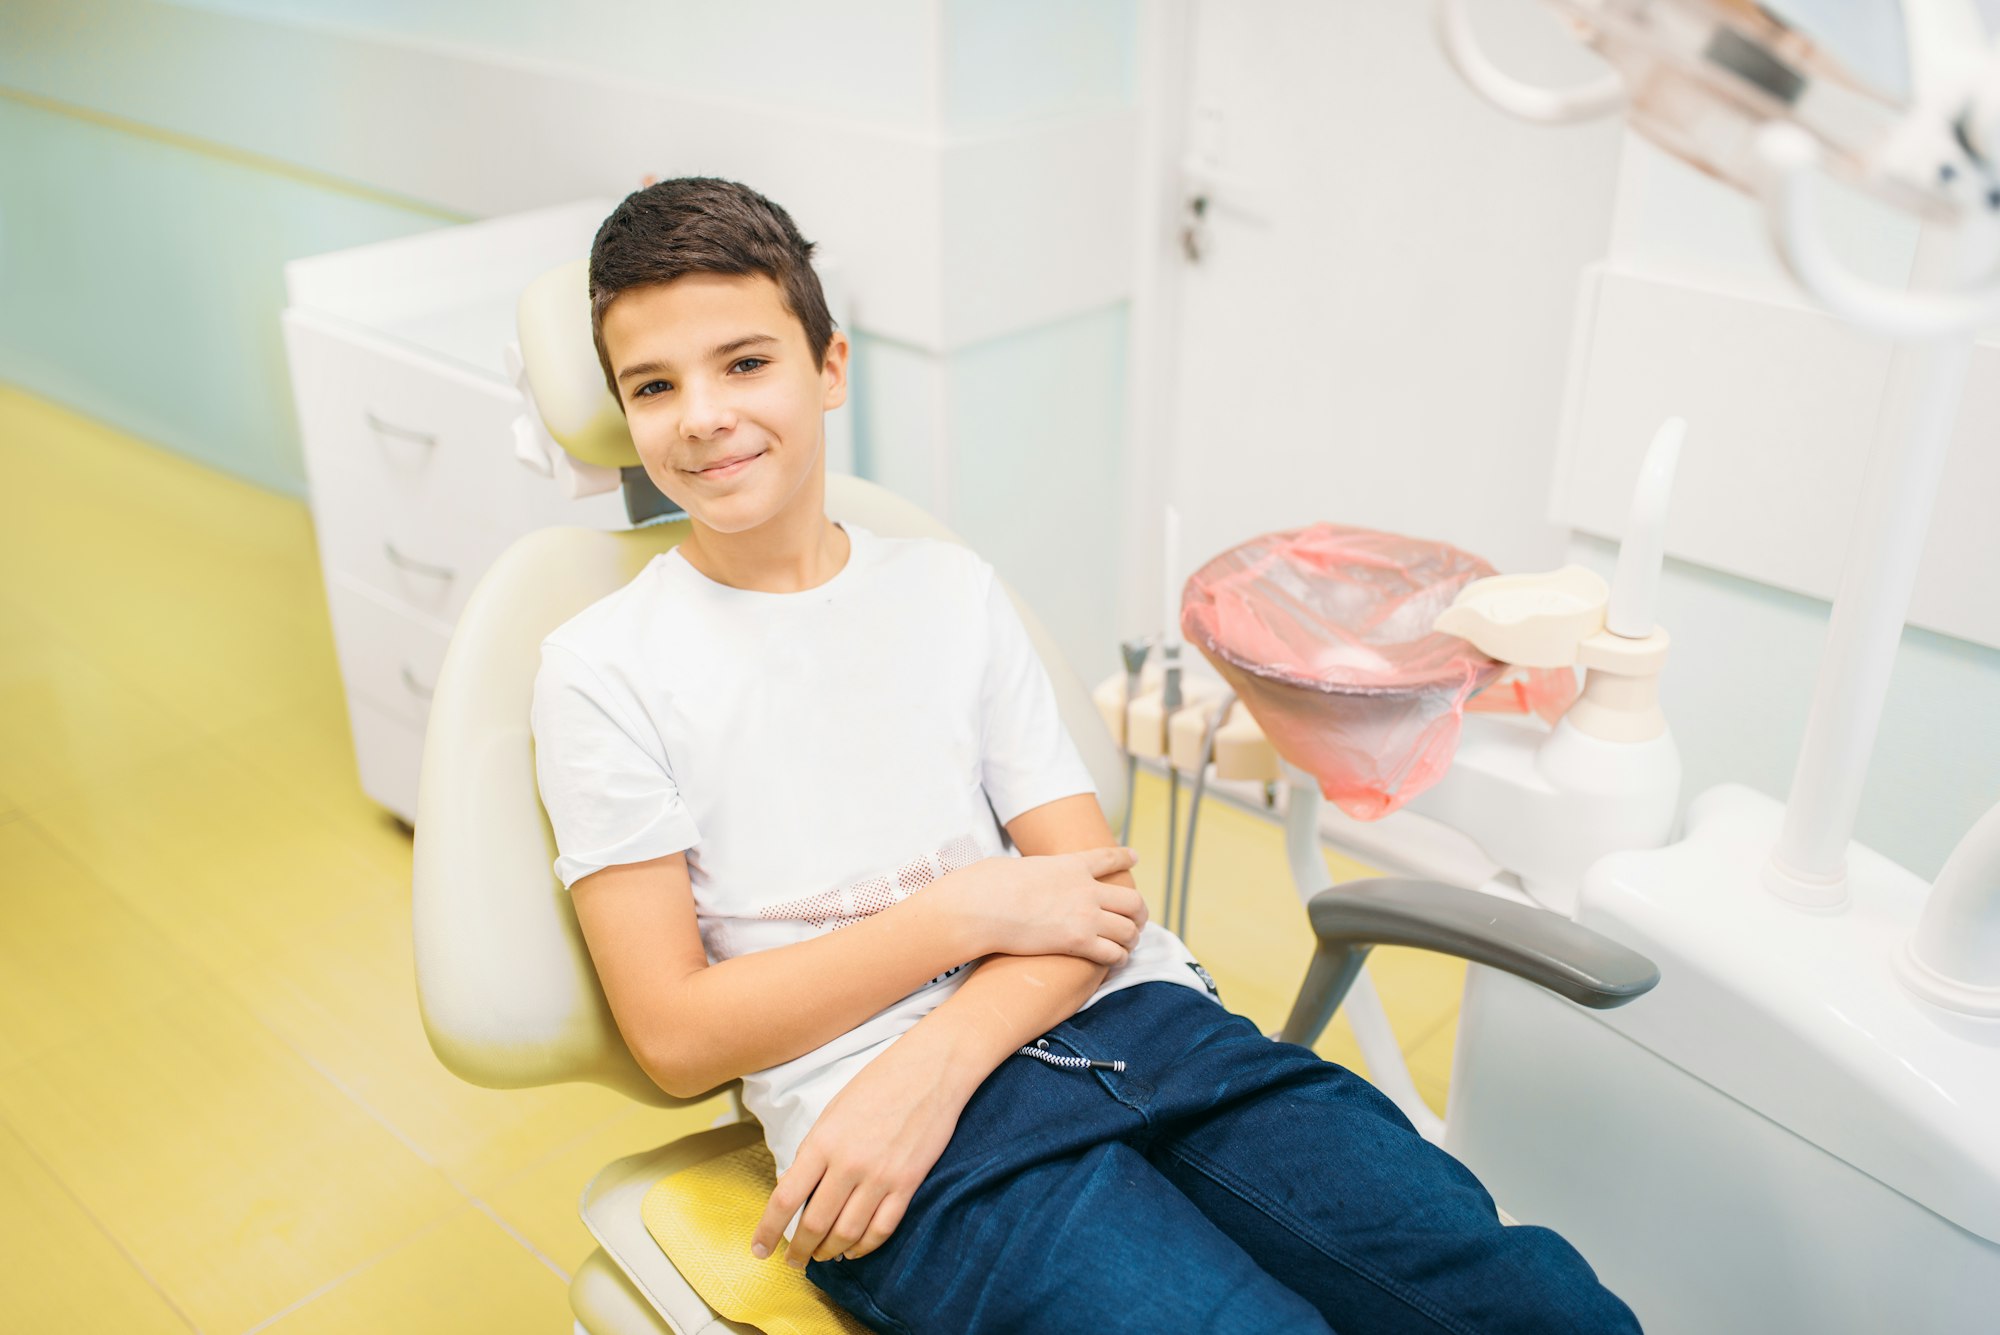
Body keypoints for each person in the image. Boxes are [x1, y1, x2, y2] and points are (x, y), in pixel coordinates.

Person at [530, 176, 1641, 1334]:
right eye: (653, 386)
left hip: (1144, 1027)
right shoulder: (601, 668)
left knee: (1538, 1308)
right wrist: (968, 912)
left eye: (744, 362)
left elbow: (1098, 900)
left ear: (829, 366)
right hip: (890, 1138)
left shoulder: (947, 590)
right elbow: (674, 1038)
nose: (701, 415)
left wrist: (941, 1052)